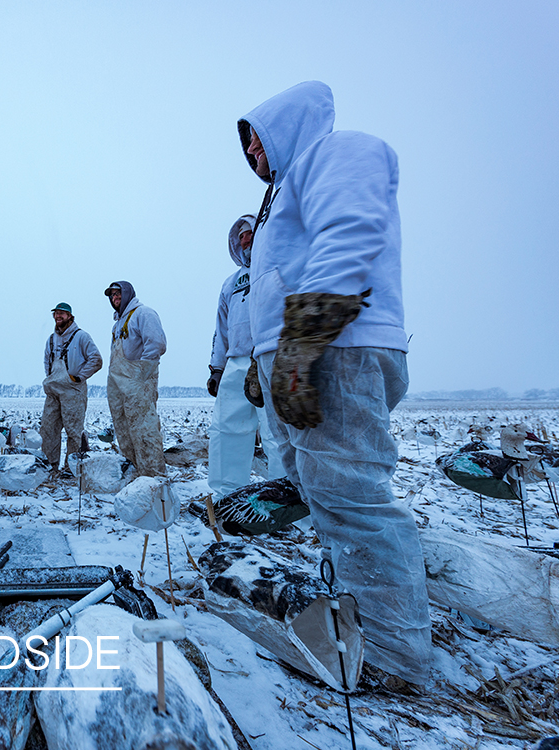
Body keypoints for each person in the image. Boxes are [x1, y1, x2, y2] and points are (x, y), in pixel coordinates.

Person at [239, 80, 431, 686]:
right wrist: (266, 359)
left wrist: (301, 344)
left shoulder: (338, 150)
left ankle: (394, 656)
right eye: (245, 145)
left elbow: (350, 235)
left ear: (285, 126)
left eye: (257, 139)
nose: (252, 152)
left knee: (351, 499)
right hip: (301, 349)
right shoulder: (281, 195)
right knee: (322, 493)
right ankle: (360, 613)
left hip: (335, 346)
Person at [206, 215, 284, 500]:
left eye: (250, 233)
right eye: (240, 236)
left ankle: (288, 501)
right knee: (226, 428)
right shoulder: (231, 283)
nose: (245, 239)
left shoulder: (276, 269)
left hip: (270, 356)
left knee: (277, 432)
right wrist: (217, 368)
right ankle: (226, 496)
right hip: (235, 362)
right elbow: (221, 328)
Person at [104, 281, 167, 477]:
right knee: (123, 429)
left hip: (137, 383)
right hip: (118, 385)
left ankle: (153, 477)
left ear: (128, 293)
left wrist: (141, 374)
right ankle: (134, 474)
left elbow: (157, 344)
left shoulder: (143, 313)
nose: (115, 298)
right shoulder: (117, 325)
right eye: (112, 295)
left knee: (143, 429)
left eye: (118, 293)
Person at [39, 303, 102, 472]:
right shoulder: (51, 340)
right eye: (56, 313)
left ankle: (72, 469)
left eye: (62, 313)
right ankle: (50, 467)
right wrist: (51, 377)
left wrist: (78, 377)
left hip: (73, 391)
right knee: (48, 429)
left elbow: (96, 359)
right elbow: (47, 362)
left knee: (74, 431)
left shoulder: (81, 337)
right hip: (53, 392)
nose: (58, 316)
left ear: (70, 316)